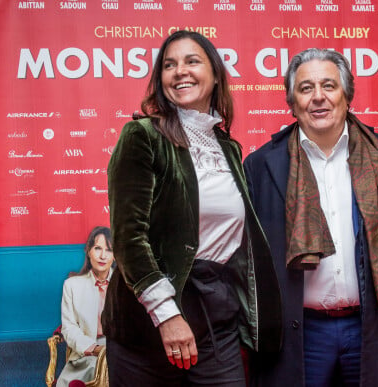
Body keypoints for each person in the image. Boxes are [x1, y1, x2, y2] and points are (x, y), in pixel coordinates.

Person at [243, 48, 378, 386]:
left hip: (372, 326)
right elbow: (249, 258)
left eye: (329, 86)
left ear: (346, 95)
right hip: (299, 333)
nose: (318, 97)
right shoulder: (262, 165)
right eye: (306, 88)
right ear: (292, 101)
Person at [102, 30, 282, 386]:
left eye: (192, 61)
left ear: (215, 74)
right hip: (144, 329)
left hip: (215, 319)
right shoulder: (143, 136)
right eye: (169, 65)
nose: (179, 71)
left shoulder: (228, 148)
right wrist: (167, 315)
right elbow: (128, 239)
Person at [57, 226, 115, 387]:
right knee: (94, 367)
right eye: (97, 248)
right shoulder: (72, 285)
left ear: (115, 255)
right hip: (86, 353)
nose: (103, 256)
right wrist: (95, 349)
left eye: (109, 250)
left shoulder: (124, 285)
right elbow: (69, 328)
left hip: (118, 353)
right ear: (88, 251)